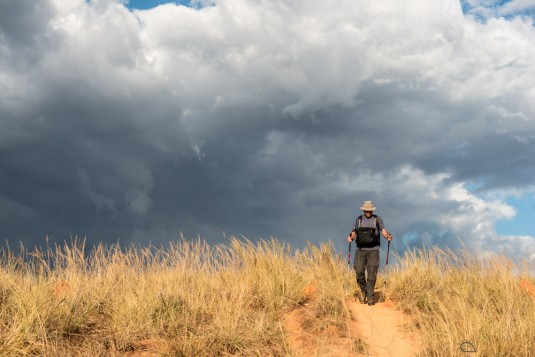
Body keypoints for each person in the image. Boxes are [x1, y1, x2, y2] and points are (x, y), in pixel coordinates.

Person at [347, 200, 393, 306]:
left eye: (370, 210)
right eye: (366, 210)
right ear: (364, 210)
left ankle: (371, 297)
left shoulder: (377, 219)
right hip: (360, 250)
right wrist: (350, 238)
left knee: (372, 274)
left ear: (372, 210)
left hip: (373, 250)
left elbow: (383, 231)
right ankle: (364, 291)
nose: (368, 212)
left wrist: (388, 236)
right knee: (359, 271)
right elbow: (354, 233)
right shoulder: (358, 220)